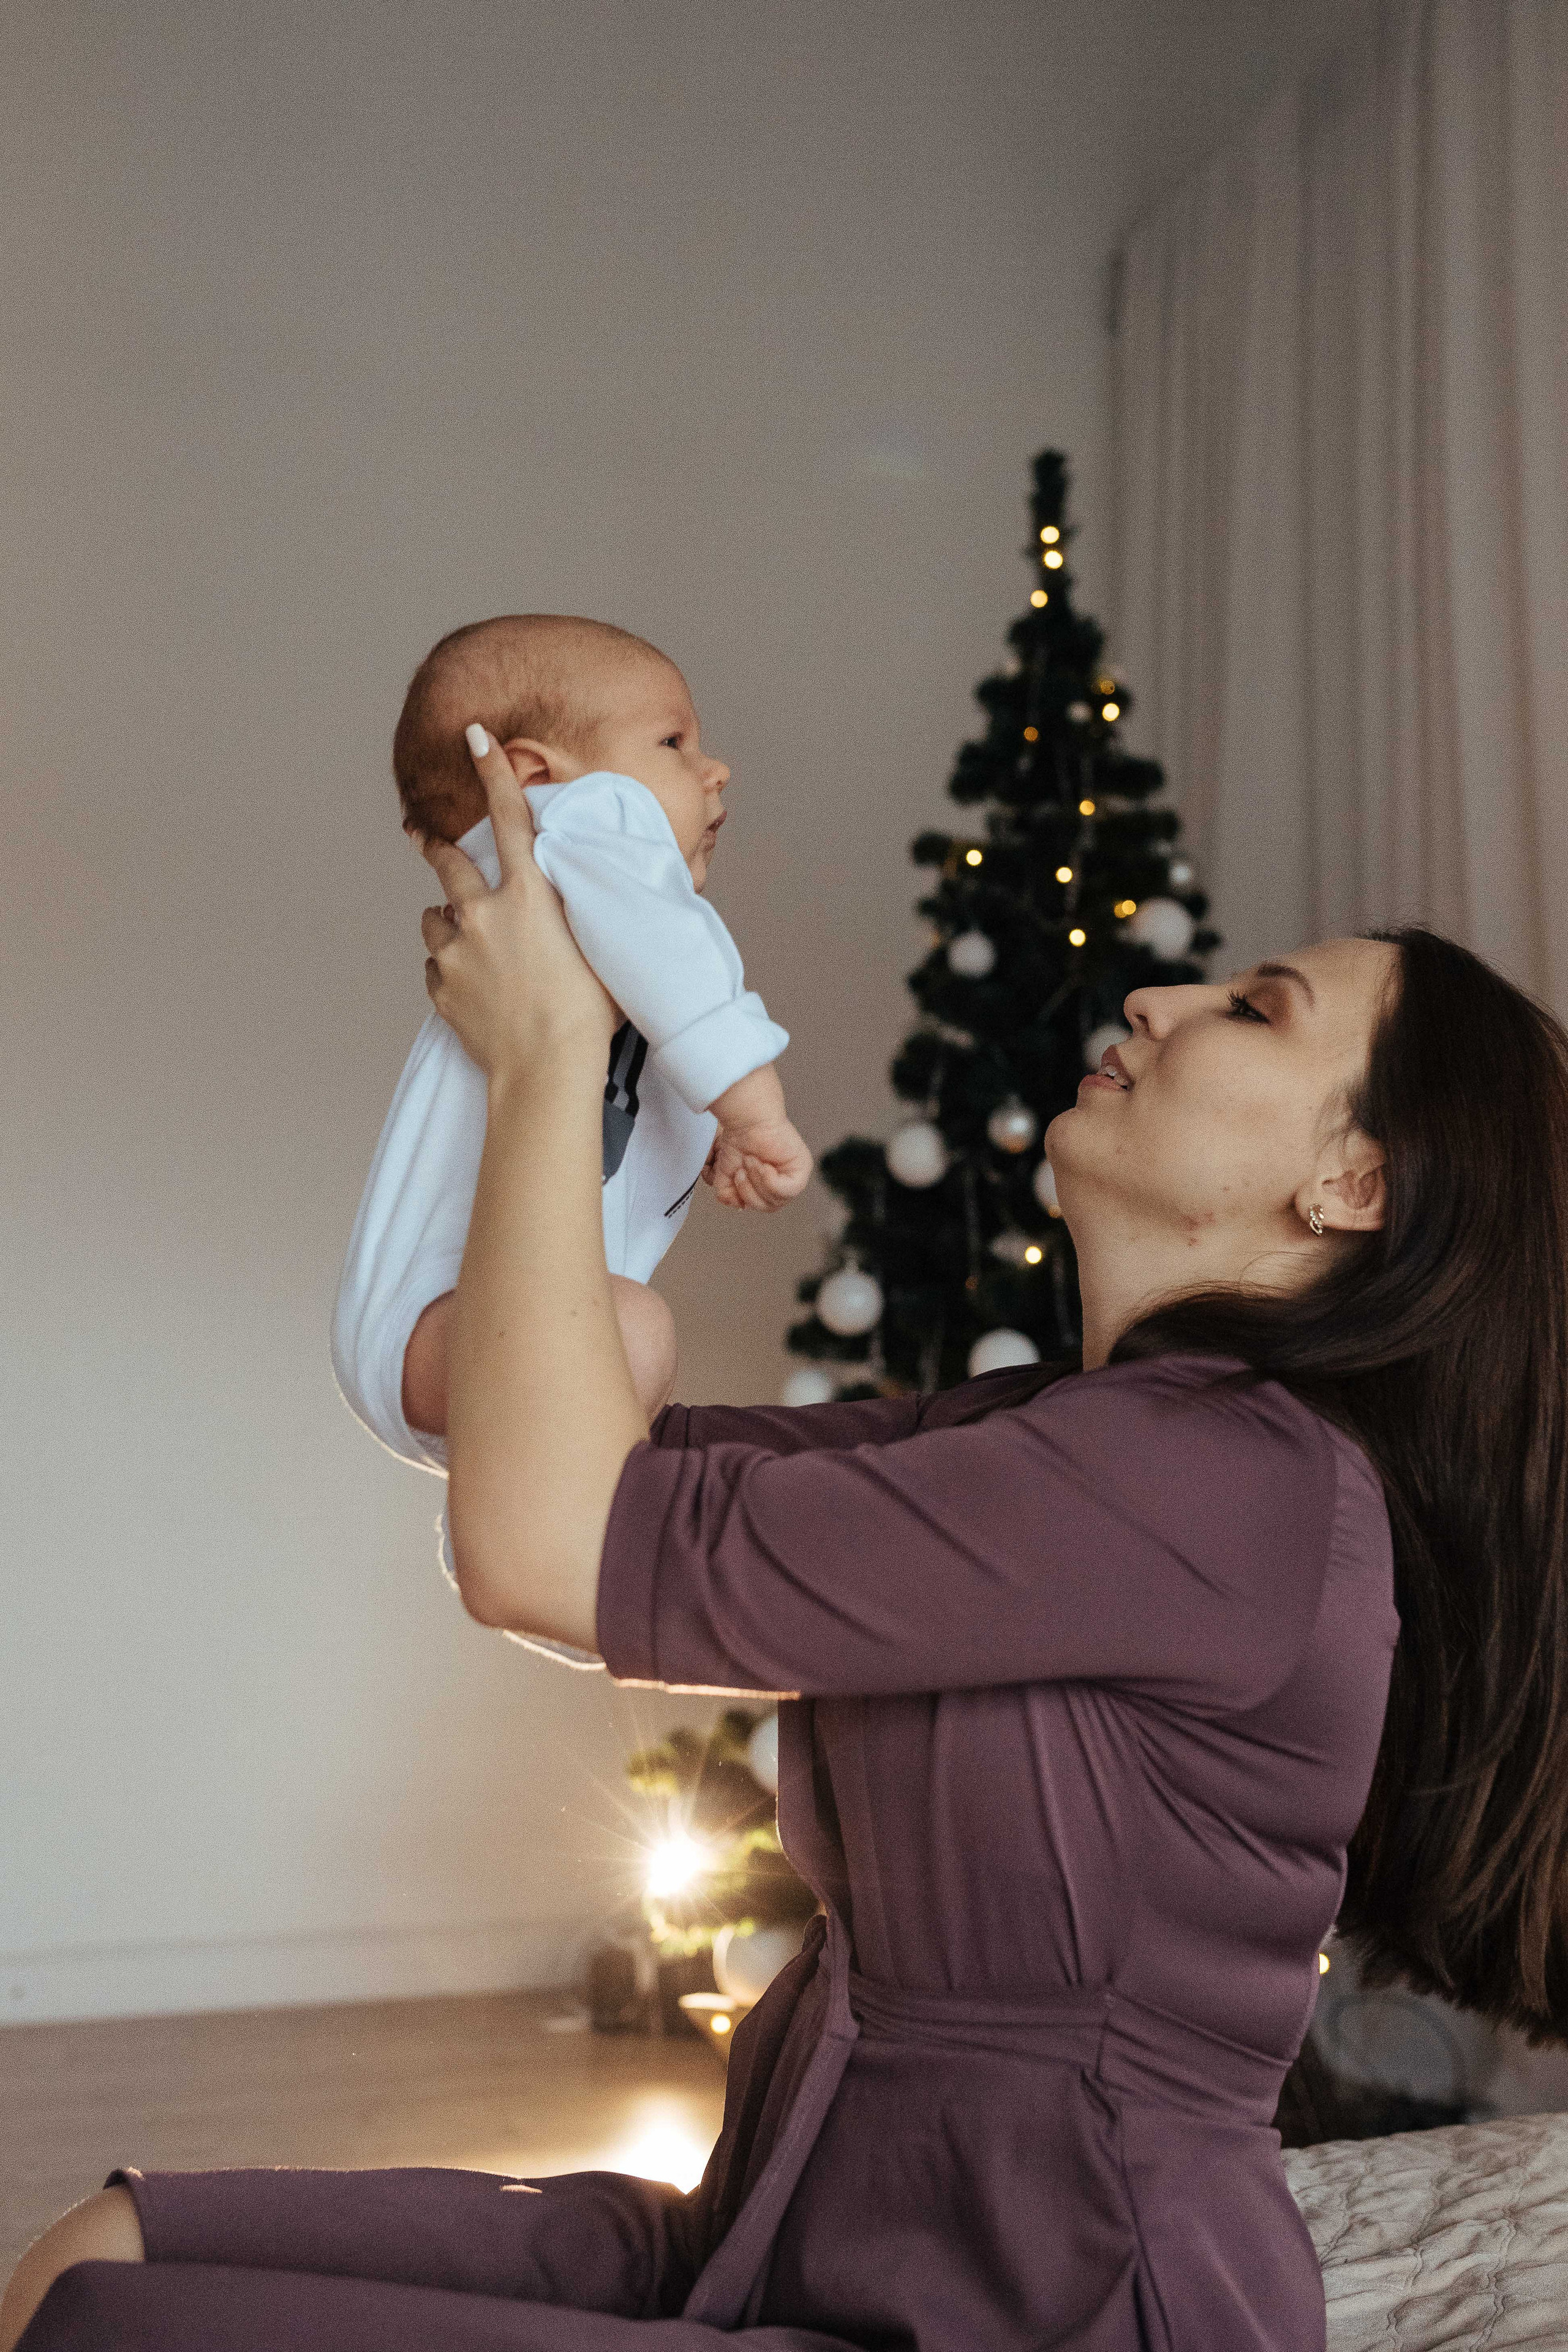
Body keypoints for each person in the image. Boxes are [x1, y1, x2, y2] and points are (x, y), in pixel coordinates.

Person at [10, 737, 1568, 2352]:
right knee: (102, 2256)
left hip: (1043, 2311)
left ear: (1354, 1182)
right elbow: (563, 1458)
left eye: (1253, 1011)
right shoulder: (1051, 1440)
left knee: (121, 2332)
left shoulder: (1229, 1483)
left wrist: (557, 1051)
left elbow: (543, 1546)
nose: (1158, 1003)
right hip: (783, 2239)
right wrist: (588, 1019)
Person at [331, 614, 812, 1660]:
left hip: (436, 1333)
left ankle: (519, 1526)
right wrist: (752, 1103)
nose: (715, 767)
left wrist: (708, 1127)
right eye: (674, 743)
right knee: (635, 1334)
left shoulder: (559, 889)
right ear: (534, 773)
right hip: (449, 1322)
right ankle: (527, 1536)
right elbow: (678, 971)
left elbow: (637, 1048)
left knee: (632, 1333)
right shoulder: (587, 825)